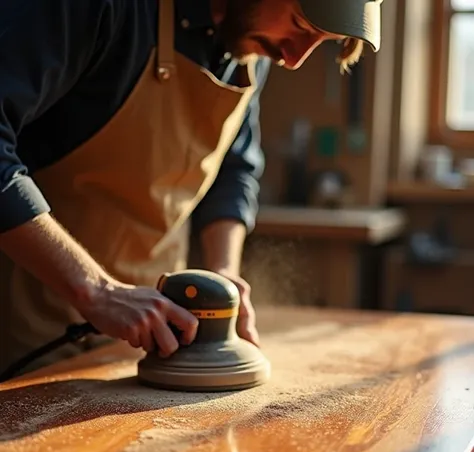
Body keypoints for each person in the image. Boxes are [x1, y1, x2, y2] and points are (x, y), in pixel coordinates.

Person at [0, 0, 382, 374]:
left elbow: (232, 169)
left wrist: (224, 274)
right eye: (300, 24)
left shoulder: (251, 48)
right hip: (21, 331)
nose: (294, 58)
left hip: (144, 337)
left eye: (322, 41)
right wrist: (96, 291)